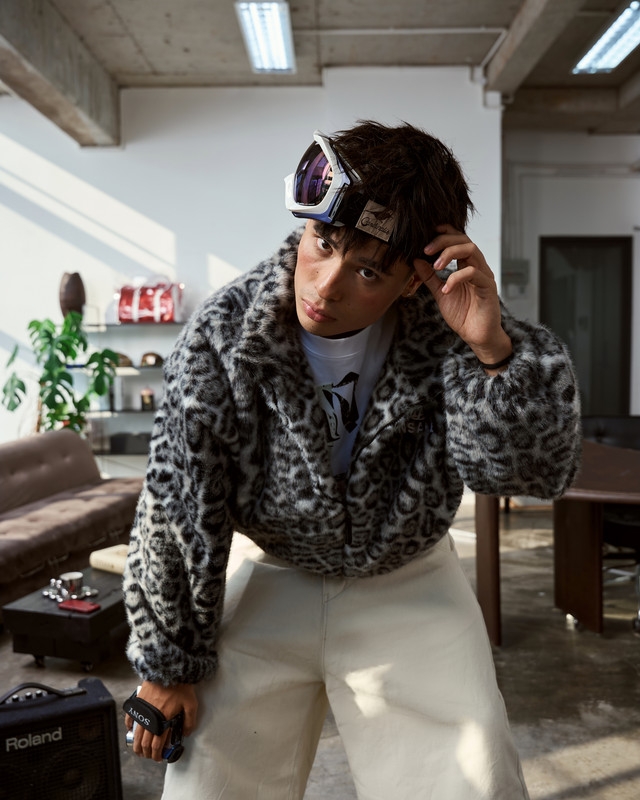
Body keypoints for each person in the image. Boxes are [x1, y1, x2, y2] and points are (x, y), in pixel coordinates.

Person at [123, 120, 581, 799]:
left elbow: (528, 478)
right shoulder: (226, 334)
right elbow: (177, 503)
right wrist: (166, 664)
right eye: (323, 243)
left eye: (367, 271)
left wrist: (493, 354)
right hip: (274, 572)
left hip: (411, 582)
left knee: (473, 776)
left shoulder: (453, 335)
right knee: (209, 779)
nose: (326, 286)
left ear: (413, 280)